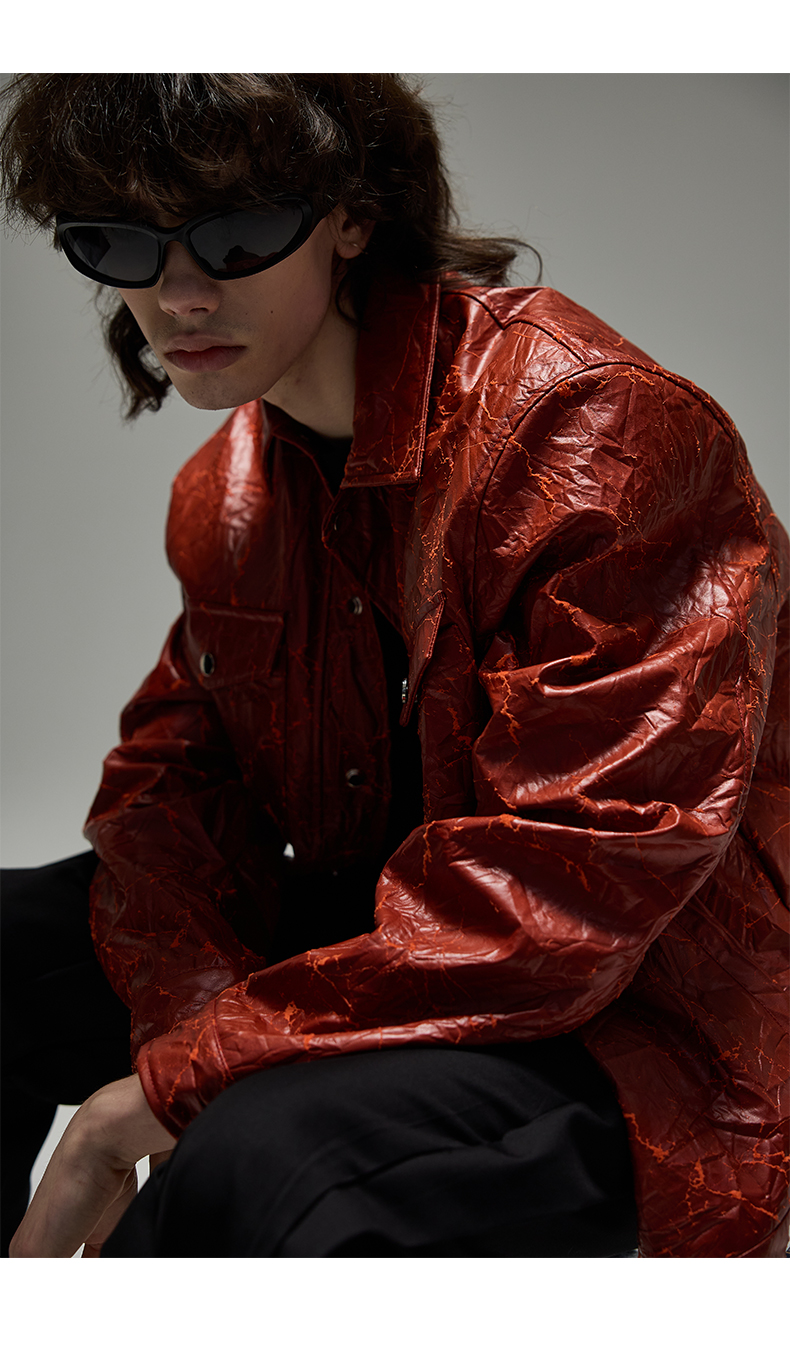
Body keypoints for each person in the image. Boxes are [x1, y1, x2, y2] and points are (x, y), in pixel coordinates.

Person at [1, 72, 787, 1260]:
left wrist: (177, 1091)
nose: (177, 293)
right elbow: (168, 799)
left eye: (233, 233)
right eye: (117, 241)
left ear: (353, 217)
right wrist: (189, 1037)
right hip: (389, 941)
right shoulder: (229, 490)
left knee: (266, 1152)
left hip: (631, 1015)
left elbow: (576, 886)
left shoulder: (589, 433)